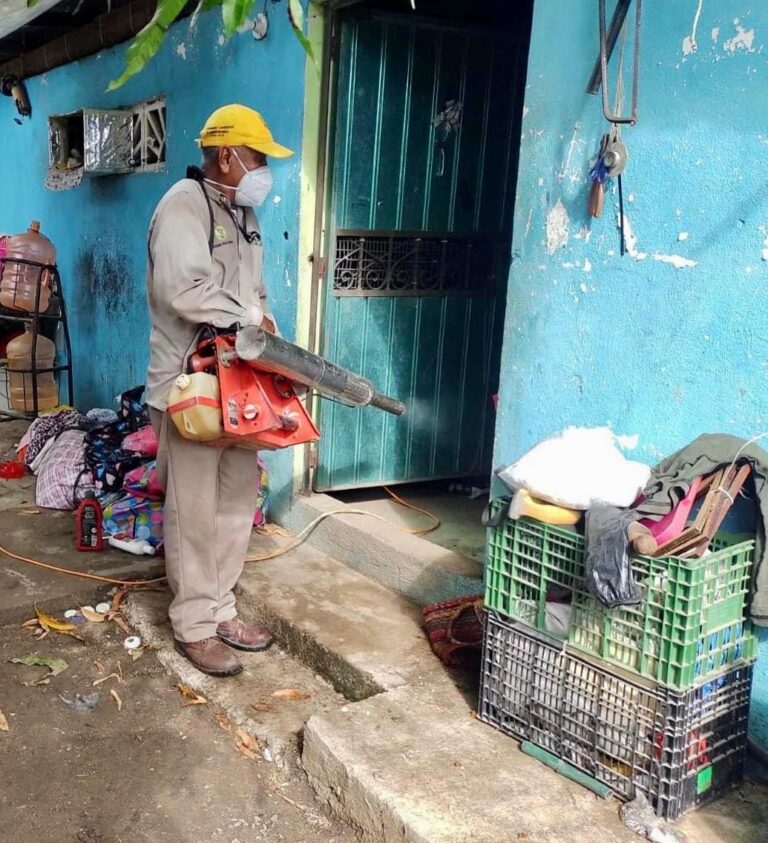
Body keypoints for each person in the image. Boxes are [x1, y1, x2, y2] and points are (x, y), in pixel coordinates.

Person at [145, 104, 293, 677]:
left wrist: (266, 322)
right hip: (191, 384)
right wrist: (249, 315)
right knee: (194, 511)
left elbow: (251, 288)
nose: (262, 170)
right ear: (227, 155)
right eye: (256, 158)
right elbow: (182, 289)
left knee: (237, 502)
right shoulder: (183, 205)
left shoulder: (244, 211)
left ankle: (222, 607)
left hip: (240, 382)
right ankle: (195, 626)